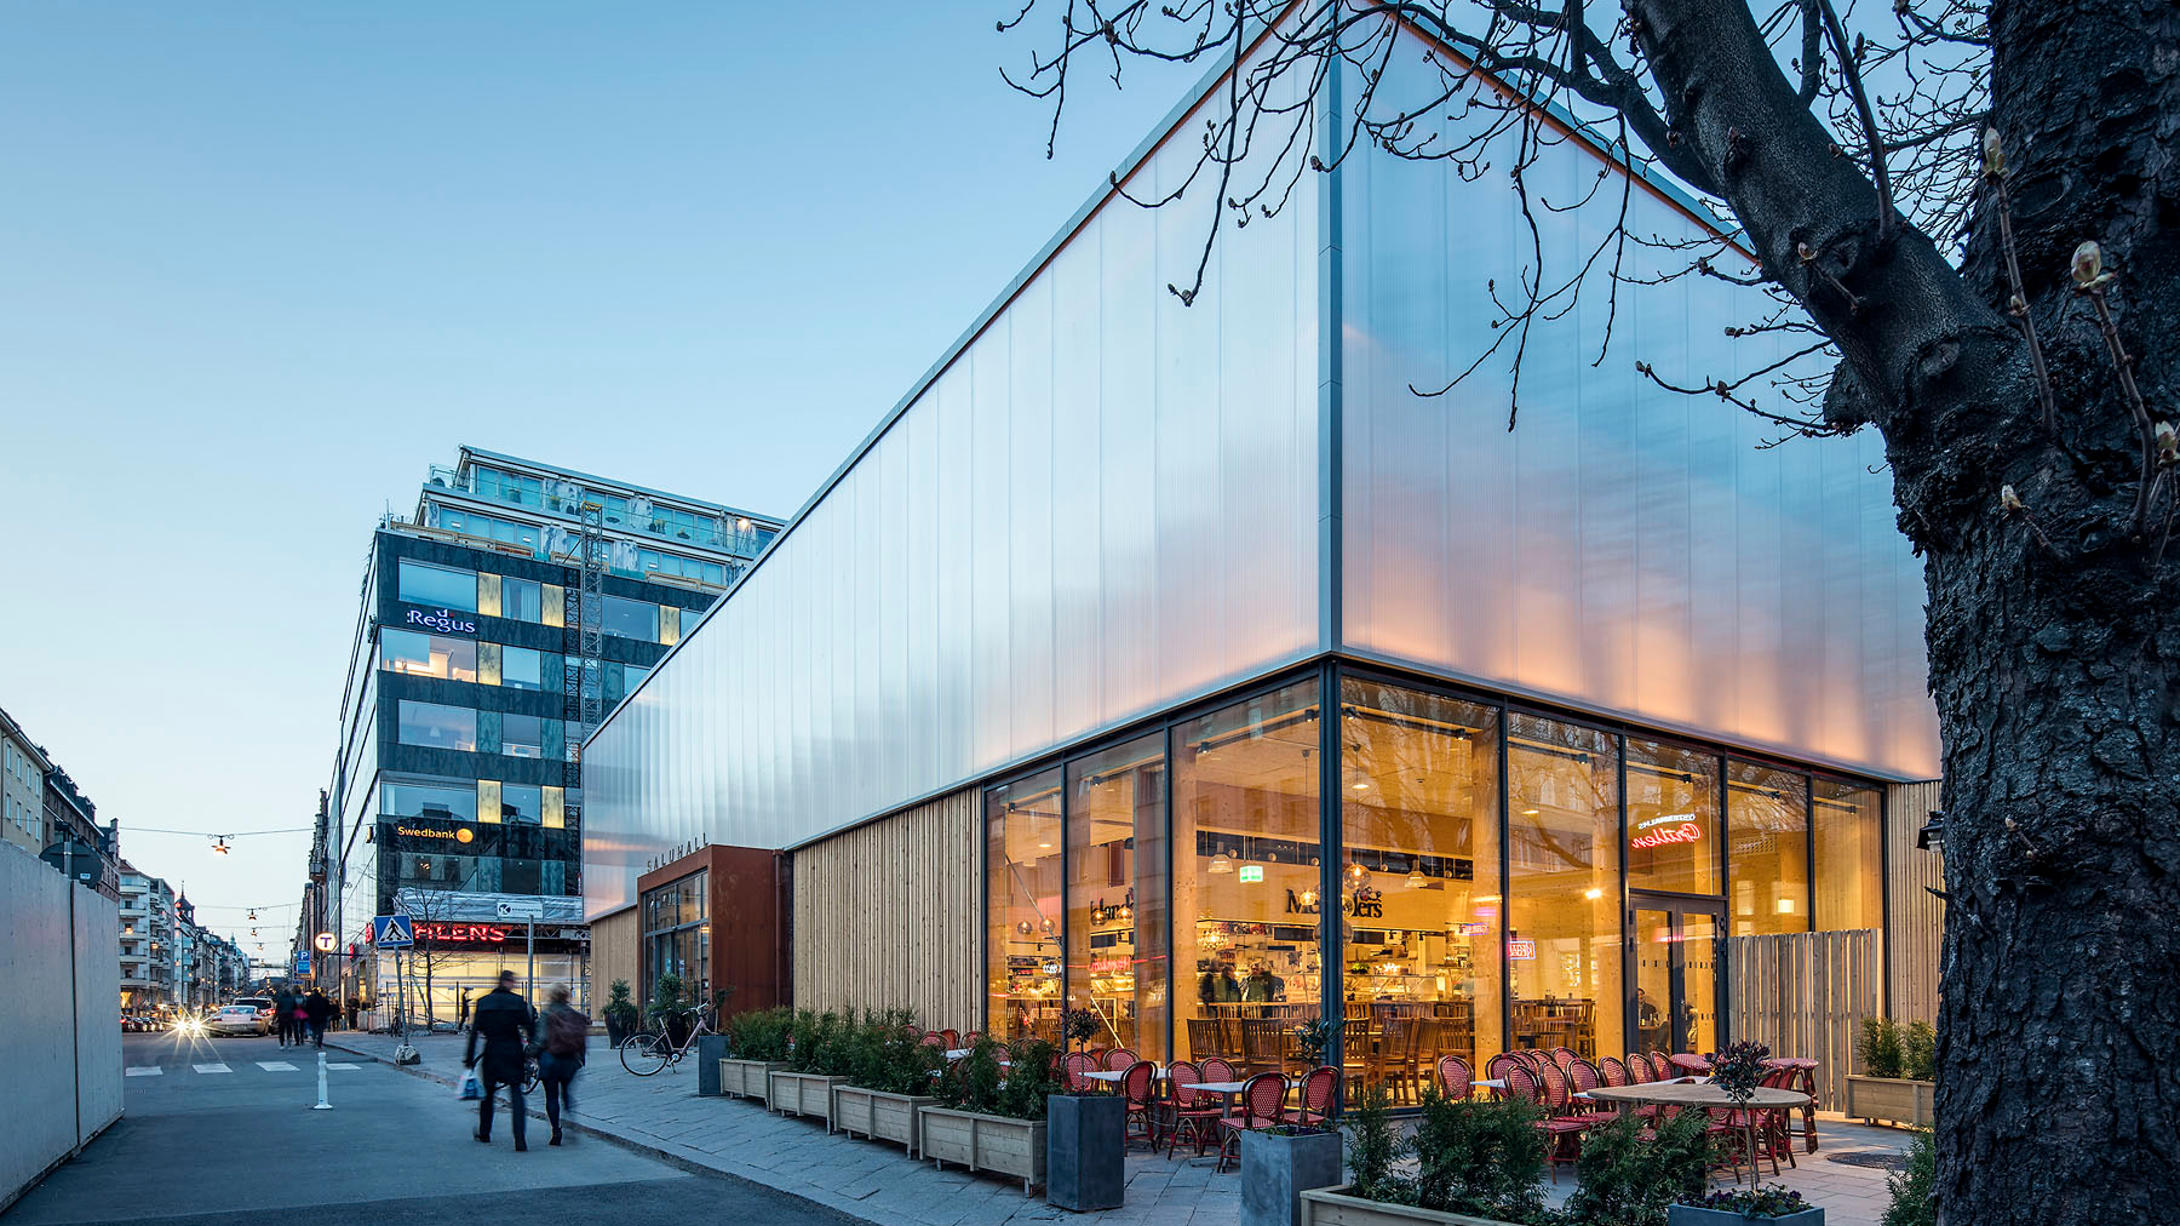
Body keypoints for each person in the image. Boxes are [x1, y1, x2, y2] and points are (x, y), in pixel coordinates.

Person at [464, 970, 536, 1150]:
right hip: (512, 1050)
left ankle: (484, 1132)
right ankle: (520, 1139)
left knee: (487, 1094)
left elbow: (474, 1034)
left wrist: (469, 1058)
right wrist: (532, 1052)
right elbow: (530, 1028)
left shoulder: (484, 1002)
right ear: (508, 982)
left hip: (492, 1050)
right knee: (516, 1094)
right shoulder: (518, 1002)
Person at [538, 984, 589, 1146]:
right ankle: (571, 1119)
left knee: (551, 1097)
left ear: (551, 996)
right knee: (566, 1093)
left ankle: (556, 1130)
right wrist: (581, 1060)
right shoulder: (574, 1015)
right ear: (566, 996)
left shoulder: (547, 1014)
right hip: (570, 1061)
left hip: (551, 1060)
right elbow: (582, 1040)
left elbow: (541, 1039)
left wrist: (529, 1052)